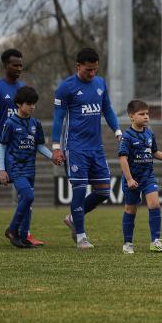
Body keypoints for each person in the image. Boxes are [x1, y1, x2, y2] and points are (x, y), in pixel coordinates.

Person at [0, 49, 44, 246]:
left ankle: (24, 233)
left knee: (26, 193)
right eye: (15, 65)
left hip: (20, 153)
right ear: (6, 65)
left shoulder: (23, 89)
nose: (19, 68)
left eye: (21, 65)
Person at [56, 48, 122, 250]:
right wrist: (57, 147)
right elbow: (58, 118)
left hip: (96, 148)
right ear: (78, 66)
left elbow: (107, 109)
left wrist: (117, 130)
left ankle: (72, 218)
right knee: (79, 190)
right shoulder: (66, 87)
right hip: (75, 147)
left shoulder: (100, 83)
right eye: (88, 70)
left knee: (104, 191)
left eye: (95, 69)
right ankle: (81, 237)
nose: (92, 73)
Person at [0, 86, 52, 249]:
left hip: (30, 169)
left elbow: (39, 145)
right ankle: (12, 229)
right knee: (28, 196)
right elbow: (2, 146)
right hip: (15, 168)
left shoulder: (36, 123)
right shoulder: (10, 123)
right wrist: (2, 169)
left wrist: (52, 157)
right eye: (29, 104)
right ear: (19, 104)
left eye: (34, 104)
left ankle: (23, 237)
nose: (32, 107)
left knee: (27, 201)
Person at [119, 100, 162, 254]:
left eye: (147, 114)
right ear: (131, 116)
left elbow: (155, 152)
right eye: (141, 114)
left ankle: (155, 241)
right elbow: (123, 158)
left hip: (148, 176)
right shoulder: (127, 136)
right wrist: (129, 179)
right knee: (131, 209)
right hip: (133, 178)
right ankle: (128, 243)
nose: (146, 117)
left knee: (155, 204)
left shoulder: (149, 133)